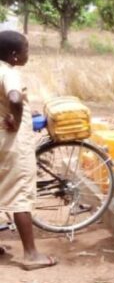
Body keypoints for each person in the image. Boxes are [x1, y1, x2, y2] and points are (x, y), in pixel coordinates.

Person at [0, 31, 57, 270]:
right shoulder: (10, 73)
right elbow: (13, 97)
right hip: (14, 143)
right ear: (14, 55)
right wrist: (16, 116)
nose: (27, 55)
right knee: (20, 194)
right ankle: (31, 255)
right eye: (26, 50)